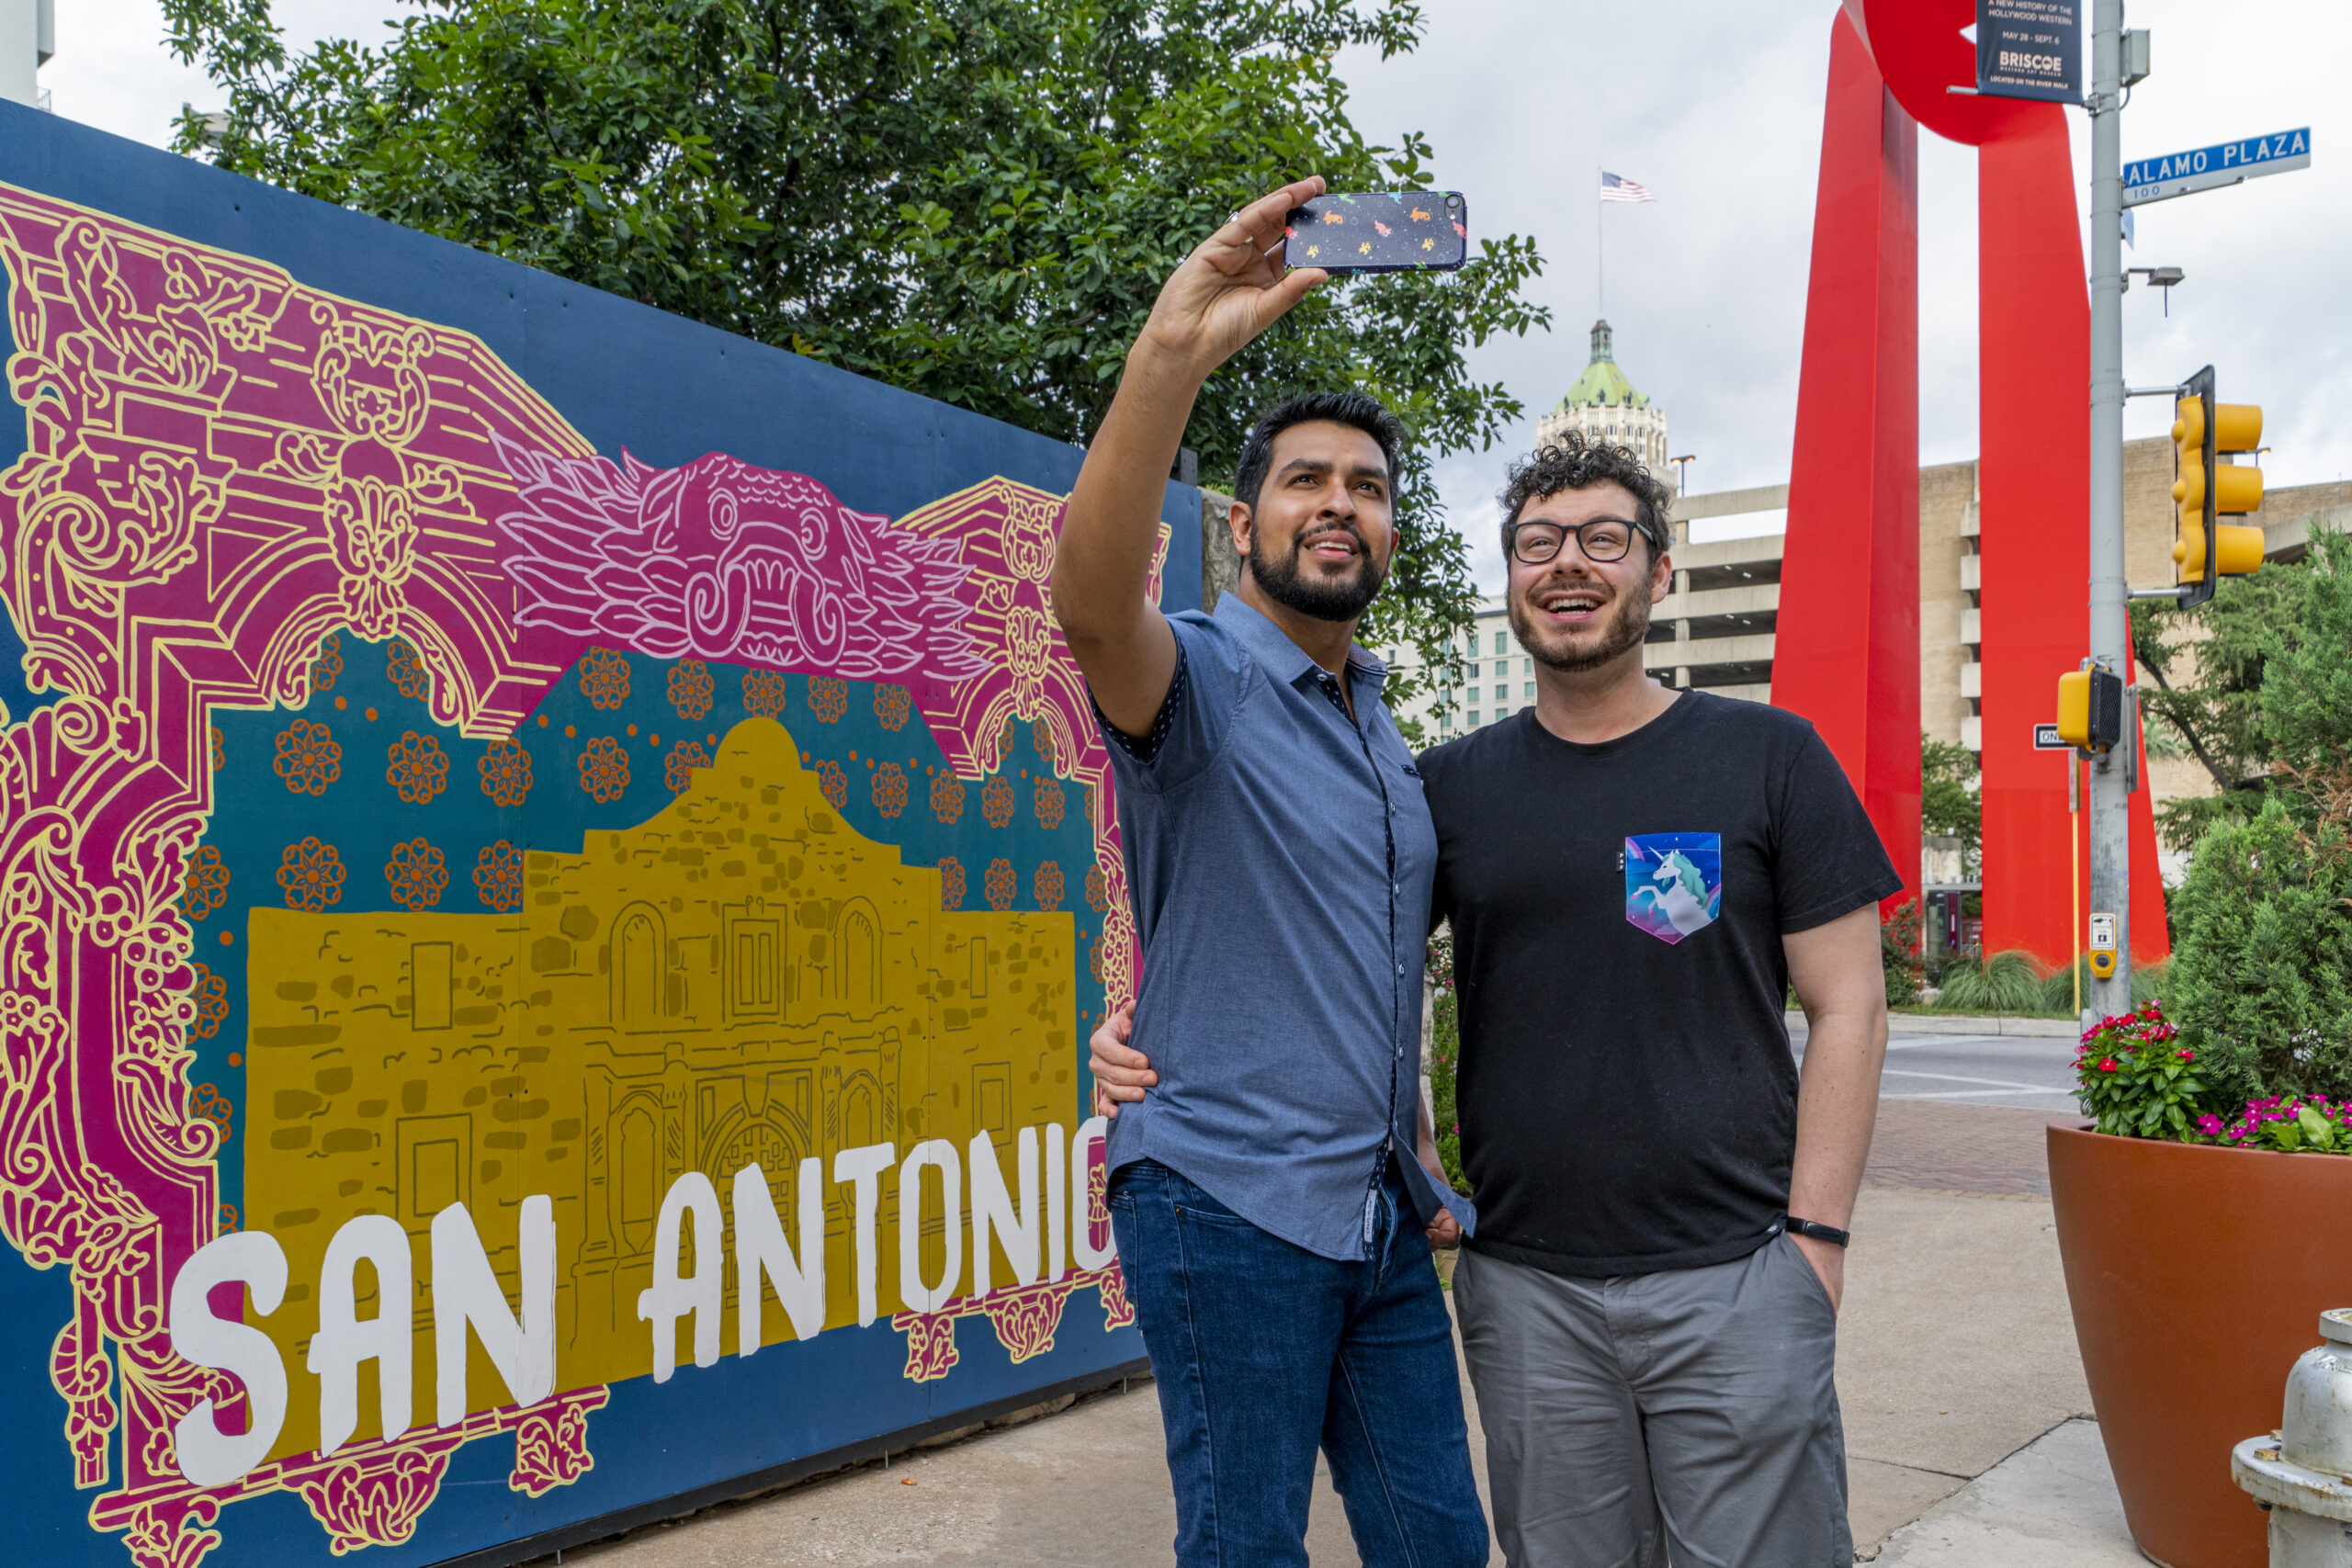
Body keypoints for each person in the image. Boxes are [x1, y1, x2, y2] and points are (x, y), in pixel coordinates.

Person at [1094, 432, 1898, 1566]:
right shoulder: (1447, 786)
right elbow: (1322, 942)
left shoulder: (1767, 757)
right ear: (1510, 577)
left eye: (1604, 539)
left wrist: (1814, 1243)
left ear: (1658, 571)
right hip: (1526, 1293)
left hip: (1736, 1276)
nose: (1569, 564)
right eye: (1537, 543)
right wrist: (1138, 1024)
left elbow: (1851, 1009)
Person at [1050, 175, 1487, 1568]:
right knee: (1246, 1545)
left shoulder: (1380, 725)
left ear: (1394, 537)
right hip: (1225, 1197)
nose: (1337, 504)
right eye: (1304, 480)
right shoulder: (1200, 676)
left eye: (1365, 487)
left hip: (1375, 1207)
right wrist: (1172, 350)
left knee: (1439, 1540)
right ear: (1240, 528)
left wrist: (1418, 1165)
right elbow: (1084, 593)